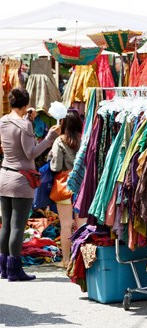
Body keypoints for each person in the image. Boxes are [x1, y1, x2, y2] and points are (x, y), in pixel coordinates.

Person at [0, 88, 60, 281]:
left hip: (4, 175)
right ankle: (15, 270)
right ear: (25, 104)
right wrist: (50, 138)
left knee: (6, 225)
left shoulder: (3, 121)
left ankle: (3, 268)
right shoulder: (25, 125)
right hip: (21, 180)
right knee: (17, 226)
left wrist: (28, 119)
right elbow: (30, 153)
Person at [49, 109, 84, 267]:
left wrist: (50, 159)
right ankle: (82, 259)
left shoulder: (60, 141)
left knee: (66, 225)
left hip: (64, 184)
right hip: (81, 184)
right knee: (82, 225)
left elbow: (56, 166)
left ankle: (66, 260)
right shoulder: (84, 139)